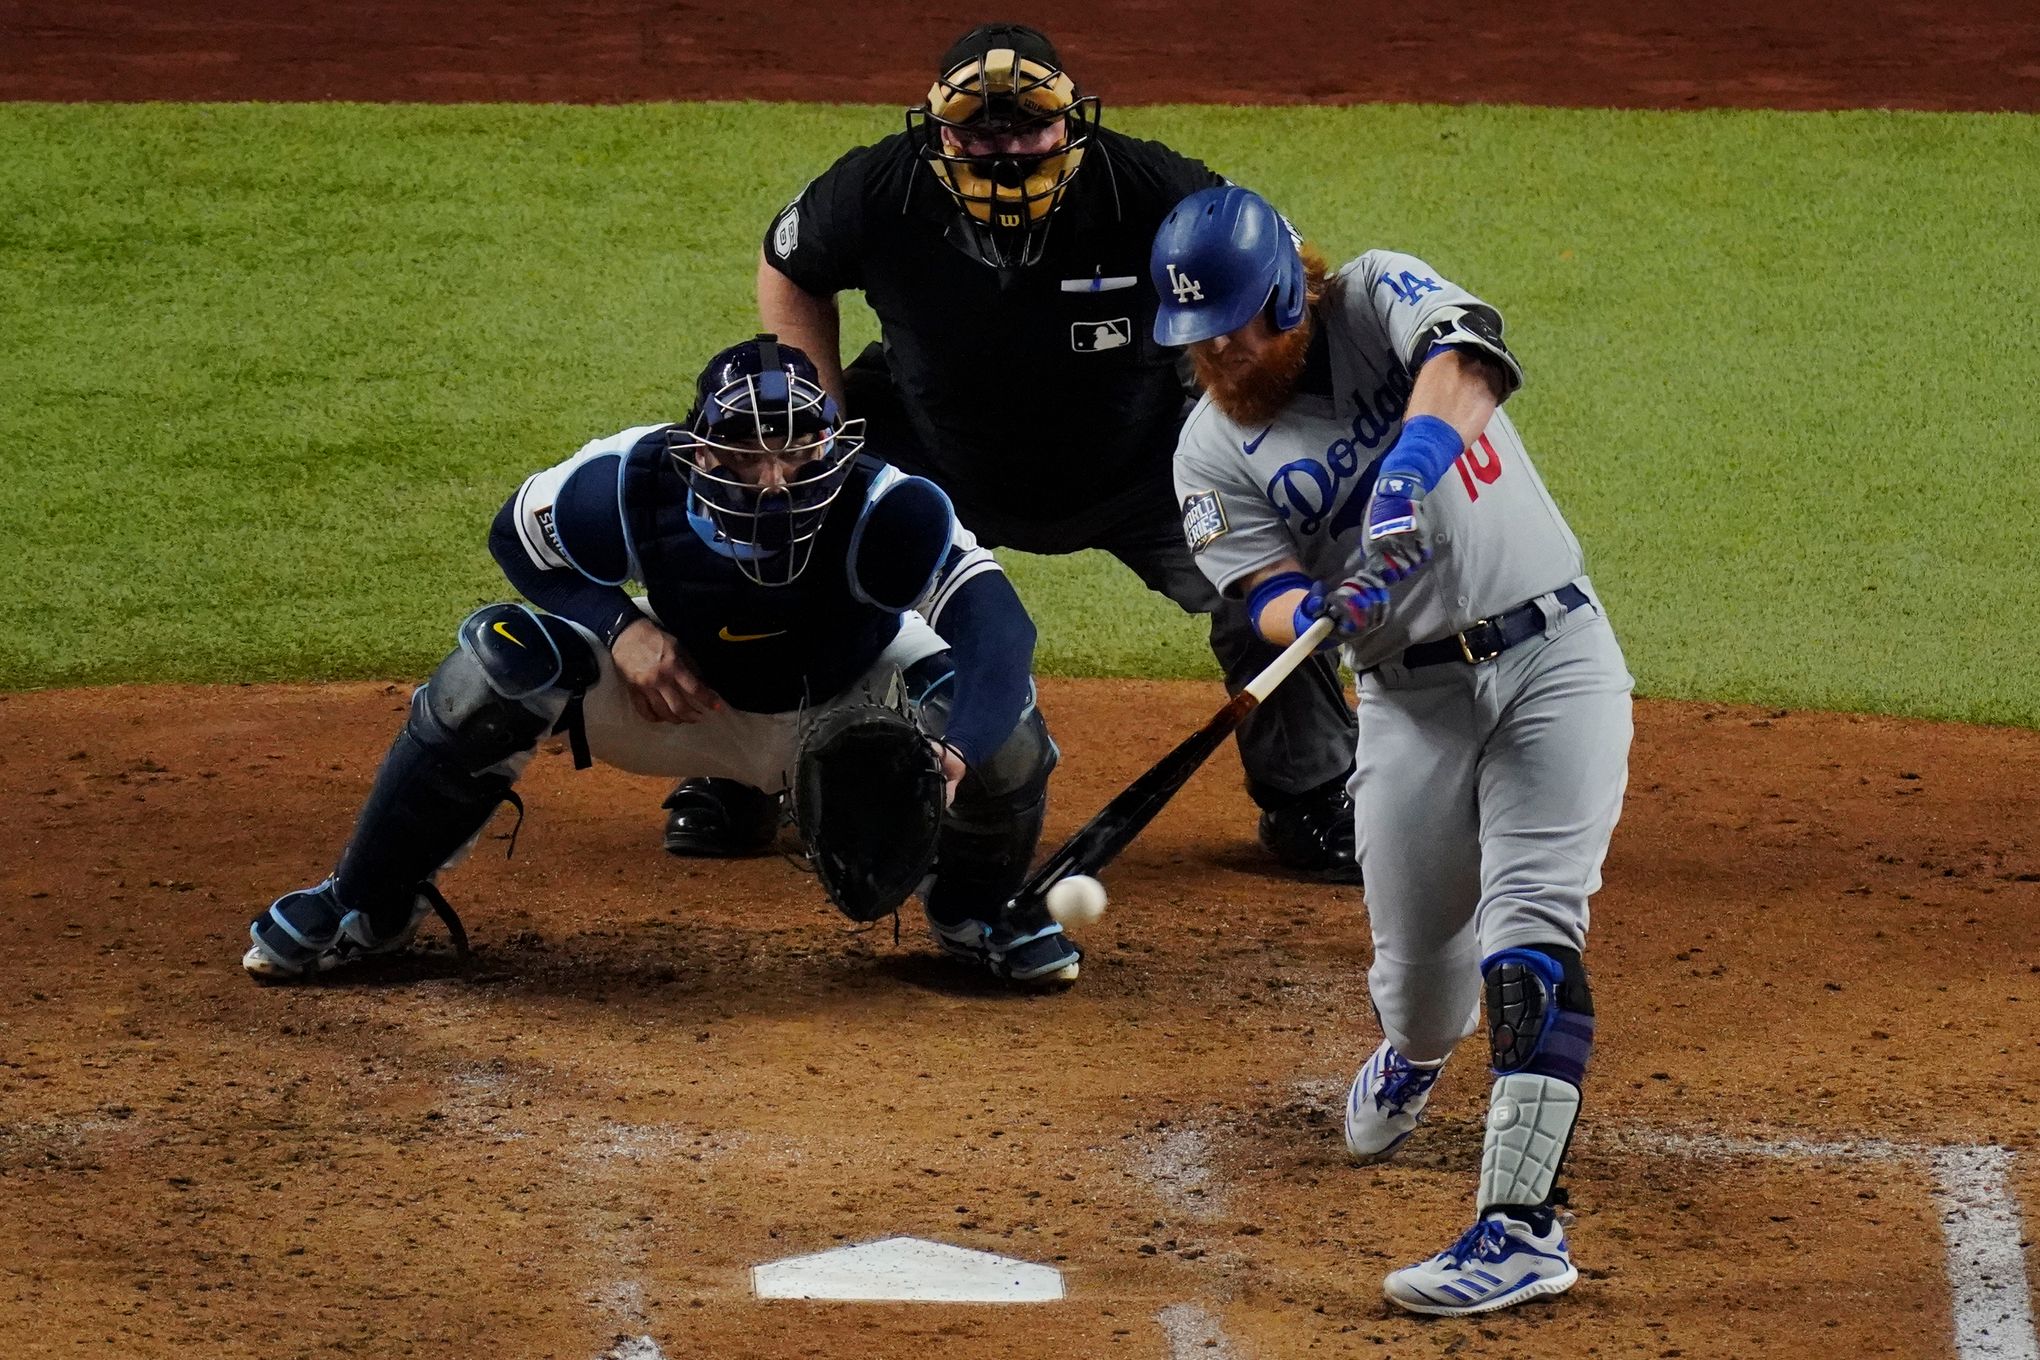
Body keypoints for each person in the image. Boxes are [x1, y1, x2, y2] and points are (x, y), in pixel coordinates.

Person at [660, 22, 1361, 880]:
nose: (1005, 152)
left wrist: (1250, 423)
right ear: (940, 133)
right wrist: (820, 436)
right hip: (934, 444)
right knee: (782, 518)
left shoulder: (1145, 185)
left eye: (1027, 128)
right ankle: (742, 772)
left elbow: (1269, 267)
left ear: (1070, 123)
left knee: (1266, 570)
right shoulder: (881, 188)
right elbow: (789, 262)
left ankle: (1312, 795)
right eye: (981, 133)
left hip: (1143, 462)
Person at [244, 336, 1082, 988]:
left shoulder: (888, 505)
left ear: (833, 446)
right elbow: (516, 536)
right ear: (701, 453)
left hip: (852, 707)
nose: (776, 481)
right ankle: (367, 901)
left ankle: (974, 916)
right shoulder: (625, 481)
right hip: (680, 708)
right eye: (750, 457)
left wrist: (952, 757)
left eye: (796, 453)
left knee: (1000, 717)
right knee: (493, 666)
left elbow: (1000, 633)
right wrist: (618, 627)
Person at [1155, 187, 1633, 1314]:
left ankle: (1522, 1229)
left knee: (1530, 930)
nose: (1220, 355)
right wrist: (1322, 604)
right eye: (1199, 339)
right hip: (1410, 705)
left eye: (1237, 325)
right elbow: (1263, 600)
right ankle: (1417, 1051)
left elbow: (1468, 359)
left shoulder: (1372, 294)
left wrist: (1407, 475)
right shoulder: (1207, 457)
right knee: (1423, 987)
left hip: (1553, 651)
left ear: (1287, 290)